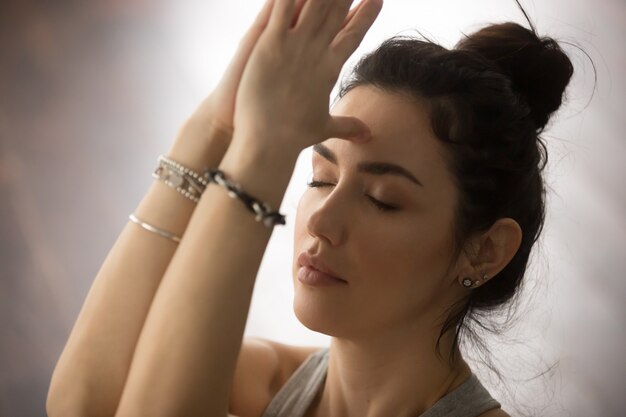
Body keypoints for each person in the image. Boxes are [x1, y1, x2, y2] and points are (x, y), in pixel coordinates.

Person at [46, 0, 574, 416]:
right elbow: (81, 405)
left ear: (484, 250)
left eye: (382, 200)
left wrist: (261, 154)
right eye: (320, 178)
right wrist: (216, 124)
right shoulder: (265, 382)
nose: (319, 219)